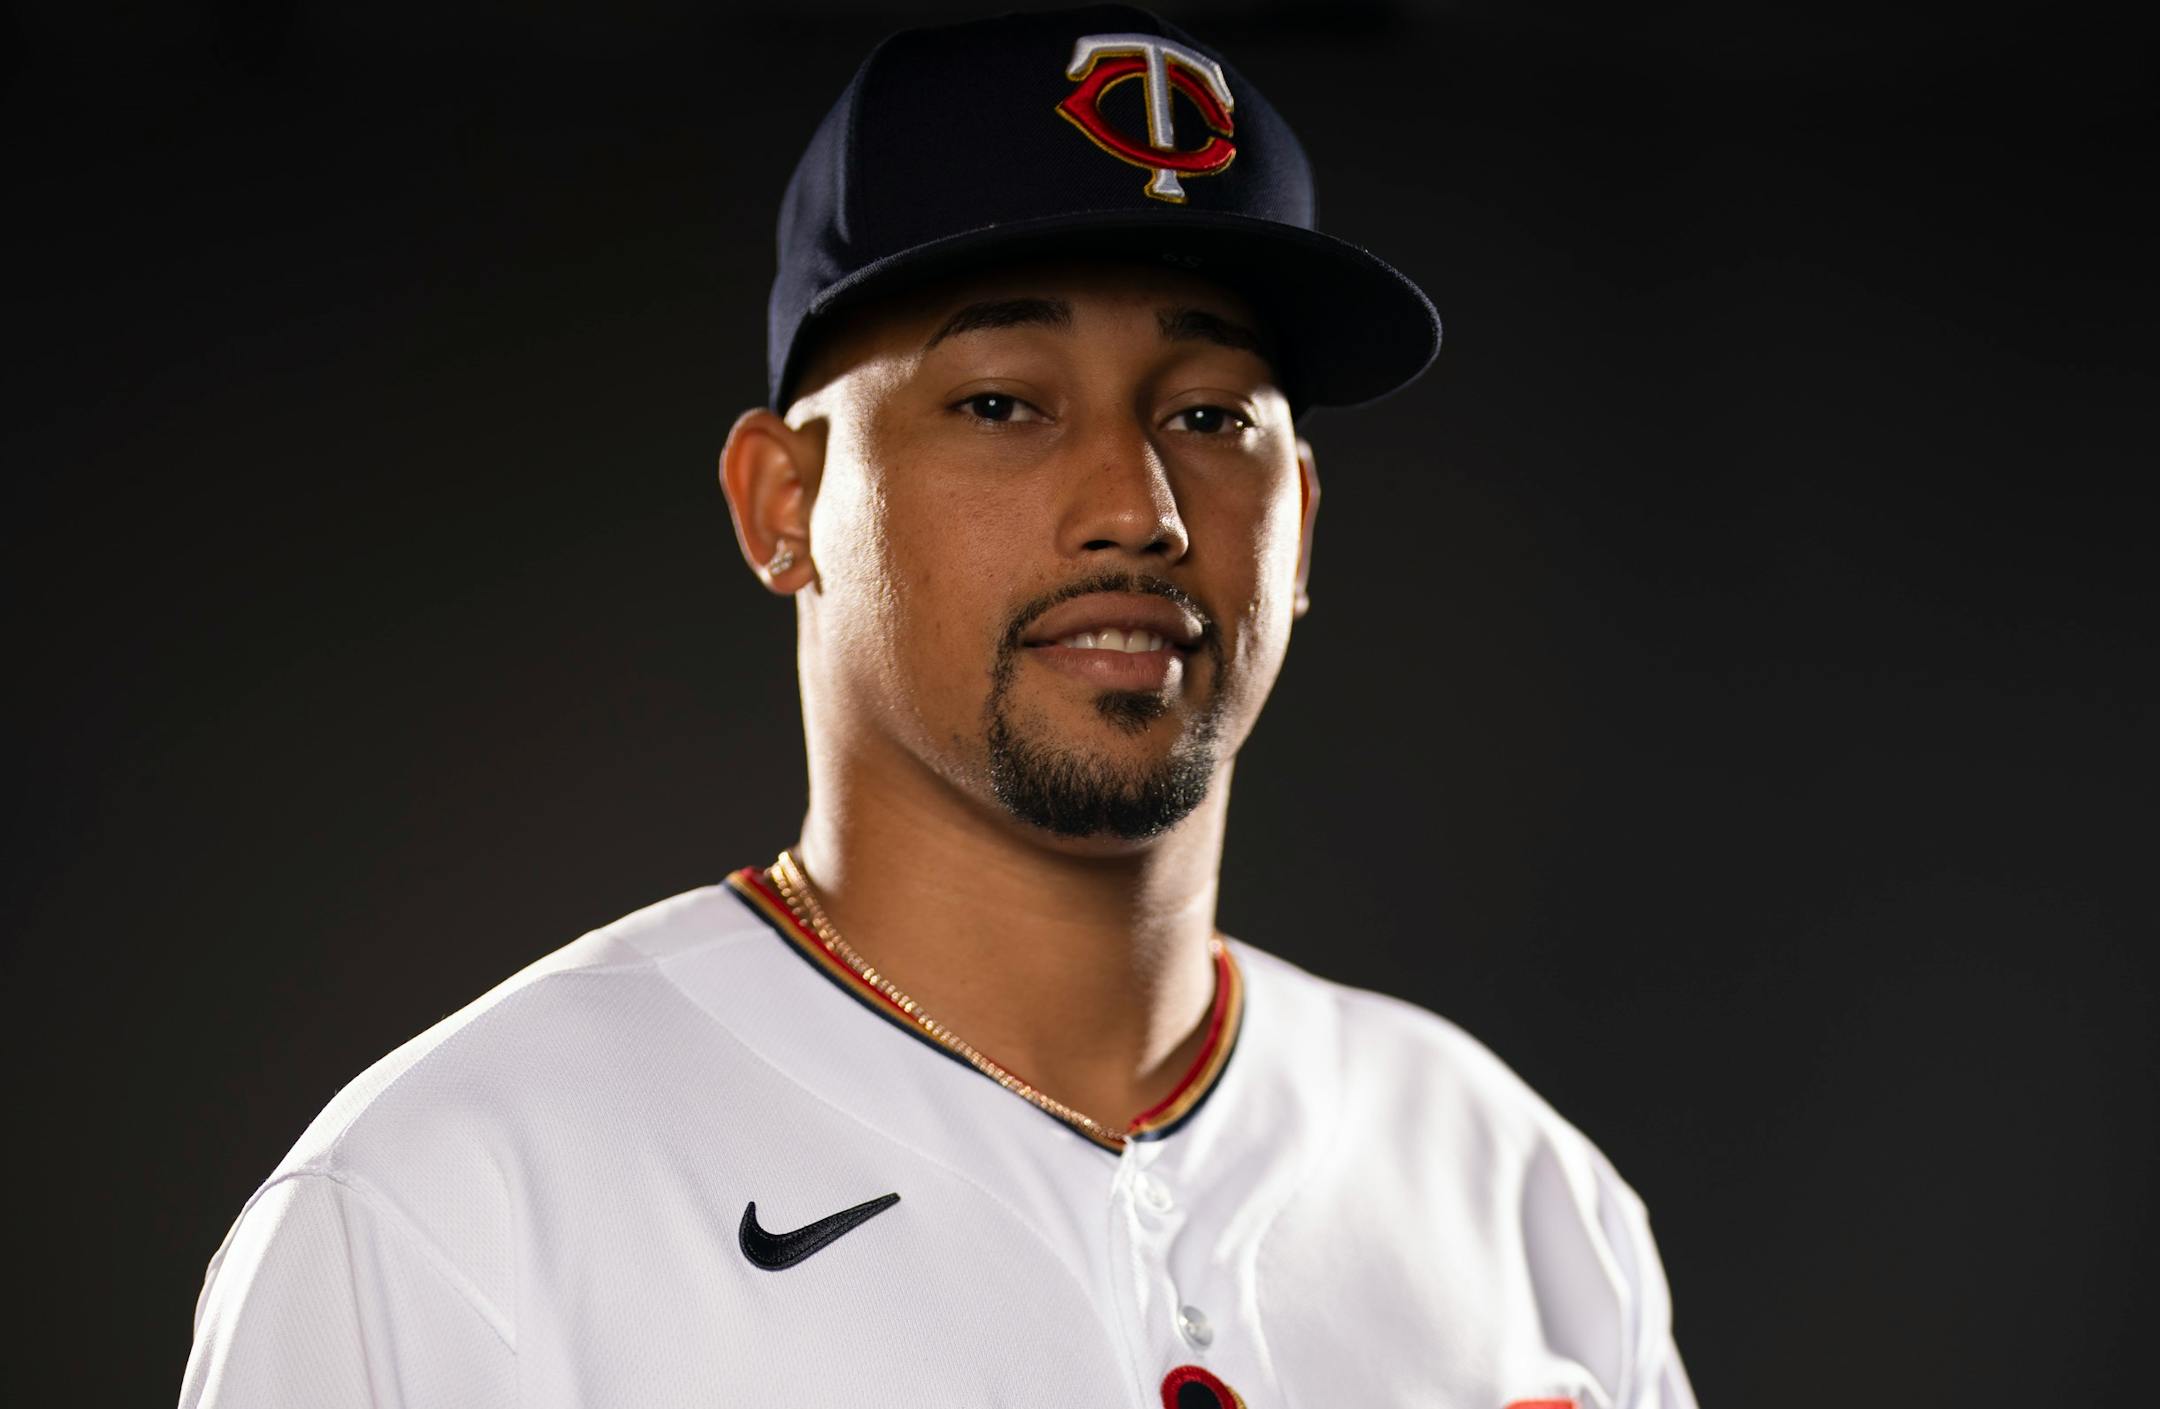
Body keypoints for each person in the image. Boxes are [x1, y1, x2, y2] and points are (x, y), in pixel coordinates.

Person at [179, 8, 1697, 1407]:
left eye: (1210, 414)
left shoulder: (1520, 1196)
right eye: (1001, 401)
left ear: (1299, 511)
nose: (1137, 506)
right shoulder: (455, 1206)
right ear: (785, 502)